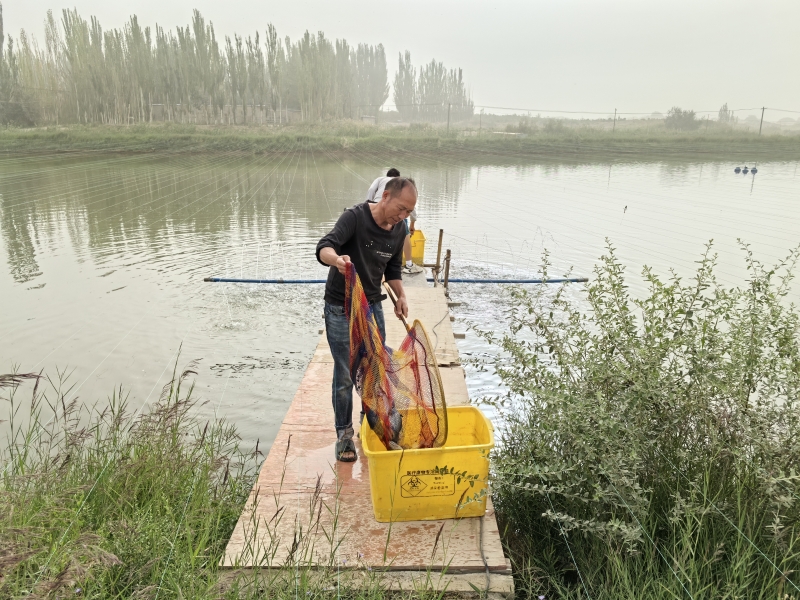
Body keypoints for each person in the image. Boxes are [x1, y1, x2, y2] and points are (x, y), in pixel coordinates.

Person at [316, 176, 418, 462]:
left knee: (375, 367)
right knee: (345, 374)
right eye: (400, 208)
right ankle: (344, 435)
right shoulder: (355, 217)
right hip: (341, 307)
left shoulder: (400, 229)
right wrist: (337, 260)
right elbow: (324, 247)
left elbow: (393, 269)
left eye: (409, 212)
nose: (403, 216)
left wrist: (401, 296)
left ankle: (369, 421)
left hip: (372, 305)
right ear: (385, 196)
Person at [365, 168, 423, 274]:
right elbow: (411, 207)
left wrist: (368, 205)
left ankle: (373, 263)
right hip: (390, 208)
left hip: (376, 206)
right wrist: (412, 224)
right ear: (398, 178)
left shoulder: (380, 179)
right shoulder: (402, 187)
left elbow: (371, 190)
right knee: (405, 235)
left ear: (387, 176)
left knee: (374, 236)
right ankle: (409, 264)